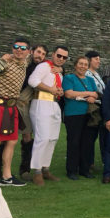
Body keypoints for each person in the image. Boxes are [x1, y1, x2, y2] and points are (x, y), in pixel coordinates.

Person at [0, 44, 50, 182]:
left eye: (43, 54)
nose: (40, 56)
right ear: (31, 52)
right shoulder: (19, 61)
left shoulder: (42, 67)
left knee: (25, 137)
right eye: (38, 52)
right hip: (7, 103)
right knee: (0, 139)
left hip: (24, 104)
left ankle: (24, 170)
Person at [0, 37, 31, 186]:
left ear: (28, 52)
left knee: (12, 141)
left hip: (13, 107)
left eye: (22, 48)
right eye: (16, 47)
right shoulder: (4, 61)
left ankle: (6, 177)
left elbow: (38, 59)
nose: (18, 50)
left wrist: (58, 69)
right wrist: (1, 60)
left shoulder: (25, 63)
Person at [28, 46, 68, 186]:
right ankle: (37, 172)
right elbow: (32, 81)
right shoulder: (44, 66)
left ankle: (46, 168)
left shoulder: (59, 73)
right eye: (59, 55)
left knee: (52, 138)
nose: (61, 59)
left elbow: (54, 87)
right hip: (41, 103)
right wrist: (50, 89)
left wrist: (58, 91)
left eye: (64, 57)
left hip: (54, 104)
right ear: (53, 54)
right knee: (42, 137)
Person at [62, 56, 98, 180]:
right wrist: (88, 94)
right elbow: (68, 93)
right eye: (80, 64)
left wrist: (93, 97)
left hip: (88, 114)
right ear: (75, 65)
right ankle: (71, 170)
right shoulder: (69, 78)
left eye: (85, 64)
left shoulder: (90, 79)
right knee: (74, 142)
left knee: (87, 143)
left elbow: (96, 93)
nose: (83, 66)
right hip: (73, 114)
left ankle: (84, 169)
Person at [84, 50, 105, 171]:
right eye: (96, 59)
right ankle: (87, 163)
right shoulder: (86, 74)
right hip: (92, 108)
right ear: (89, 60)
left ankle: (90, 161)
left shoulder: (96, 74)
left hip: (99, 106)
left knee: (93, 136)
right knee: (89, 136)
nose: (98, 61)